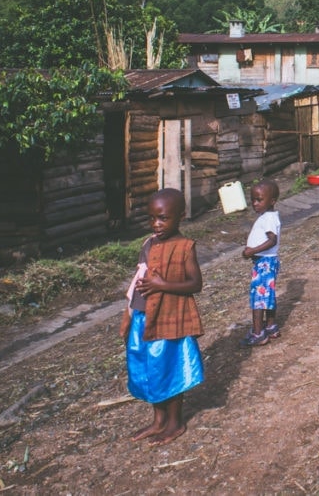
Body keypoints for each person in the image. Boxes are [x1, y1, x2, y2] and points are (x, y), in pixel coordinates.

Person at [122, 188, 204, 445]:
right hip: (143, 318)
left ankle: (175, 422)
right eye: (152, 218)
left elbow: (195, 284)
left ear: (181, 215)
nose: (156, 224)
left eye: (163, 218)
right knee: (148, 368)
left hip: (170, 319)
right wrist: (127, 314)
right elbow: (138, 280)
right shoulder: (148, 244)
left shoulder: (184, 247)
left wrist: (162, 284)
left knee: (168, 368)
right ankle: (158, 420)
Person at [240, 179, 282, 346]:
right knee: (268, 296)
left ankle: (258, 333)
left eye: (259, 200)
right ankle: (270, 326)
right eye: (253, 200)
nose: (255, 203)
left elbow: (272, 240)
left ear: (272, 201)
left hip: (265, 262)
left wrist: (252, 250)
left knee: (258, 298)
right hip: (266, 262)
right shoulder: (268, 216)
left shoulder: (269, 218)